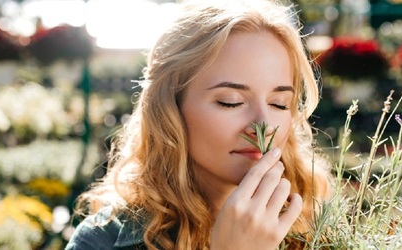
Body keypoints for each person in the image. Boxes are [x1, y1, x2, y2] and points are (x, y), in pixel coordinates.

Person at [66, 0, 332, 249]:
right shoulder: (102, 242)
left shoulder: (317, 224)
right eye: (231, 102)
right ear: (170, 108)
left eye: (279, 104)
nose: (263, 125)